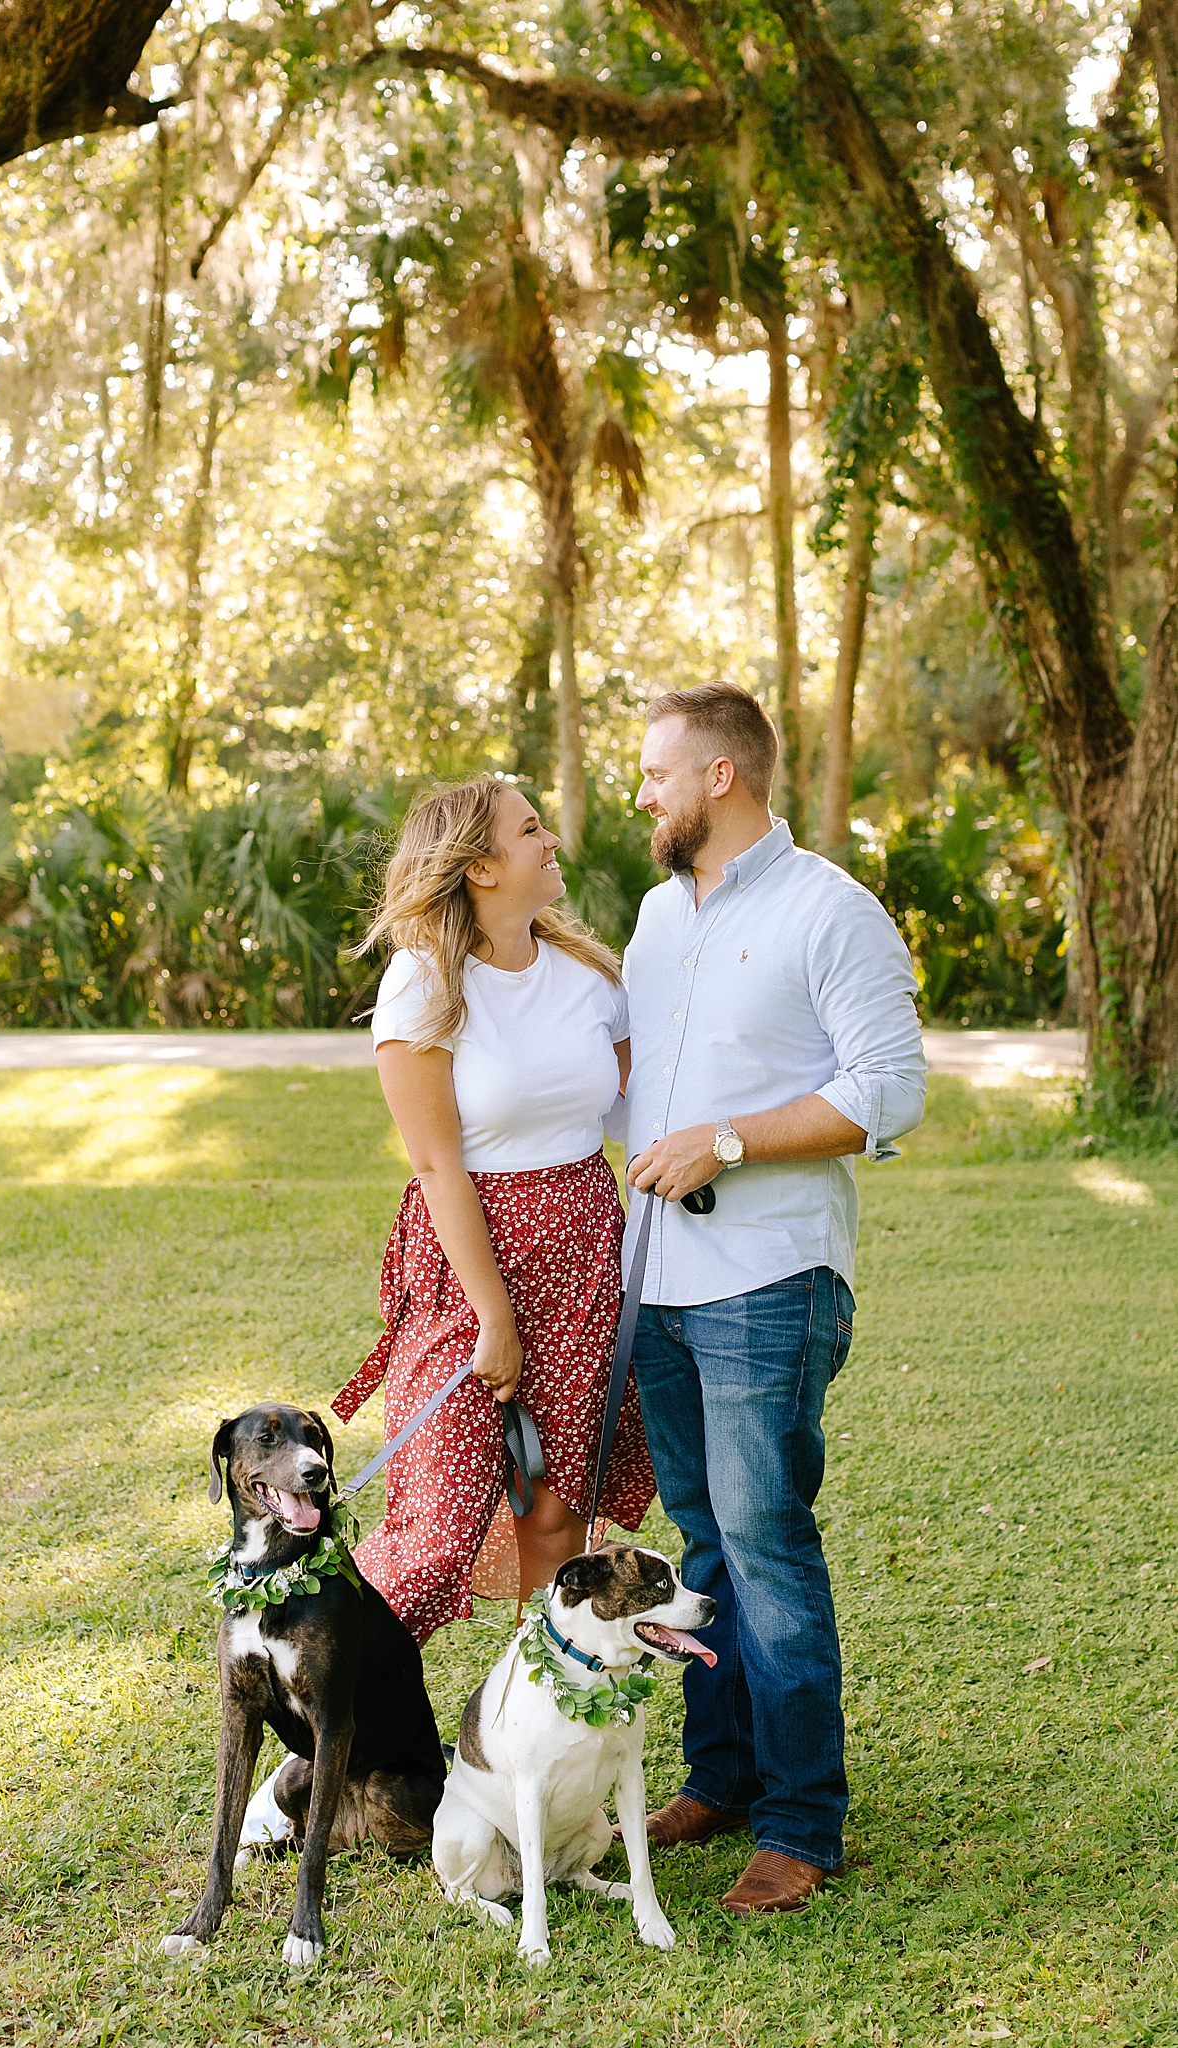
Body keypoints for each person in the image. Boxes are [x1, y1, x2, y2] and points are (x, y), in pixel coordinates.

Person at [620, 681, 926, 1916]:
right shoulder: (653, 917)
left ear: (721, 778)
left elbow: (890, 1092)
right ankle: (725, 1776)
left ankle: (804, 1822)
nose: (643, 792)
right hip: (659, 1283)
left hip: (766, 1283)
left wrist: (730, 1142)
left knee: (769, 1548)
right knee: (702, 1546)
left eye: (656, 772)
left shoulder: (830, 911)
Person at [331, 775, 655, 1645]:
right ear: (479, 865)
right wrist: (492, 1313)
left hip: (586, 1252)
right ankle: (321, 1744)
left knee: (558, 1518)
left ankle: (533, 1725)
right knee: (433, 1536)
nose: (551, 841)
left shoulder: (589, 976)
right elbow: (437, 1167)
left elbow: (641, 1103)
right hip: (466, 1261)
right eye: (530, 828)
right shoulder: (423, 983)